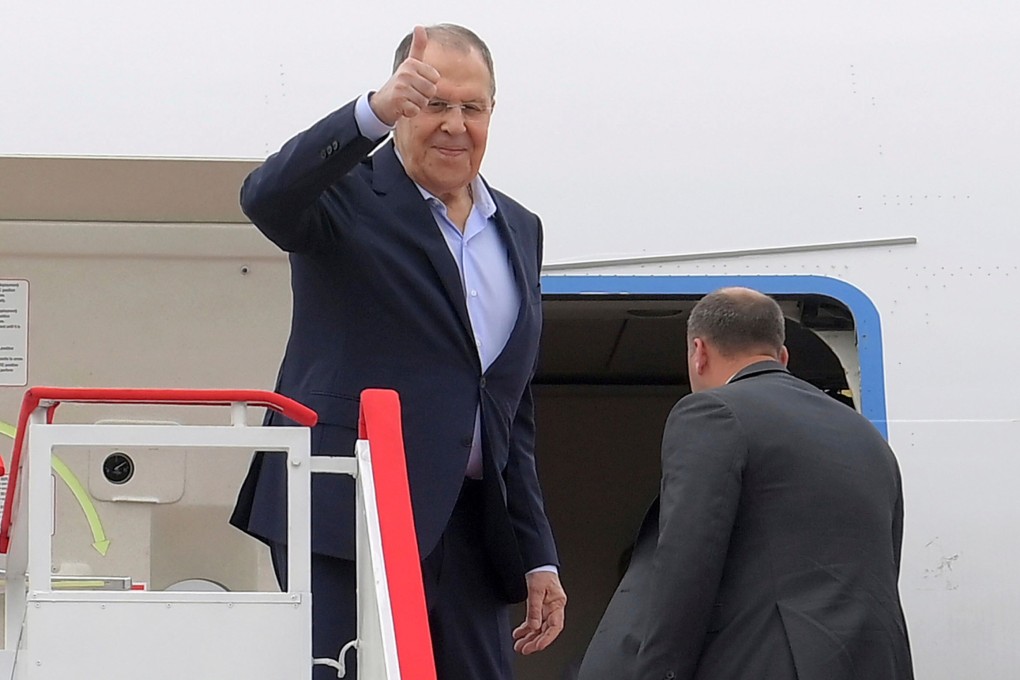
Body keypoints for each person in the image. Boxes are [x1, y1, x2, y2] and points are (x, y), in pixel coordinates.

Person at [229, 24, 566, 680]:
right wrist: (369, 114)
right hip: (347, 511)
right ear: (401, 106)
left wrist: (538, 554)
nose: (454, 125)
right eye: (433, 104)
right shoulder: (346, 197)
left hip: (469, 529)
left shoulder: (519, 229)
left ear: (492, 112)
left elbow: (506, 408)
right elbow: (264, 196)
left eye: (472, 107)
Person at [578, 287, 913, 680]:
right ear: (782, 355)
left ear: (698, 352)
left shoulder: (713, 413)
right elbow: (885, 569)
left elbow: (686, 566)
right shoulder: (867, 438)